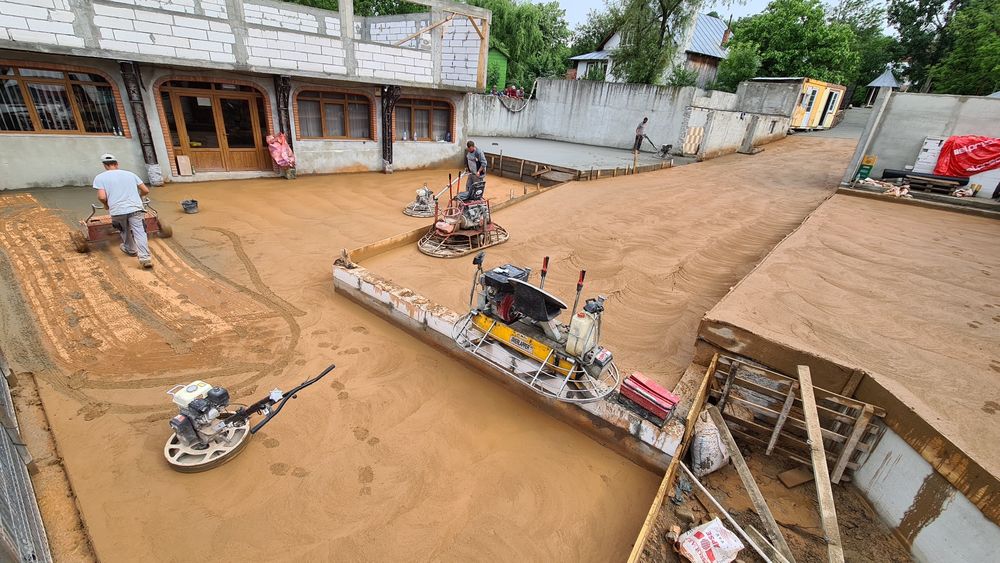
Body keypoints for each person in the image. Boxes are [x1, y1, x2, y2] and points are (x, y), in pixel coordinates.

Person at [93, 154, 153, 269]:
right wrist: (140, 197)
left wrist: (106, 205)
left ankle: (131, 249)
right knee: (140, 231)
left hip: (117, 210)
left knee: (124, 229)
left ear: (105, 166)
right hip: (135, 208)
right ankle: (145, 258)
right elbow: (145, 190)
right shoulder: (130, 174)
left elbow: (101, 197)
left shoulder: (100, 178)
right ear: (117, 164)